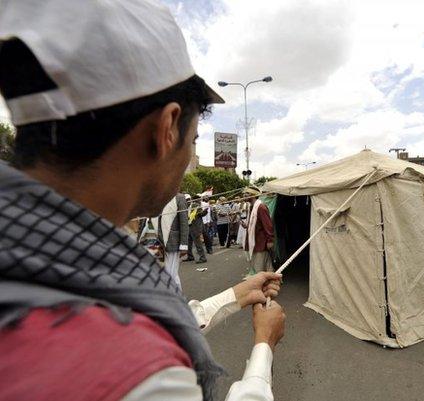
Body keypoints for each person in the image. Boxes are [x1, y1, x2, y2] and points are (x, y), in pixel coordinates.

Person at [0, 1, 286, 400]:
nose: (188, 156)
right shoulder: (136, 371)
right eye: (194, 139)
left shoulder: (40, 264)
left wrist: (234, 297)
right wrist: (263, 348)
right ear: (166, 129)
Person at [241, 186, 275, 275]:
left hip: (260, 243)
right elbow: (255, 224)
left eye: (247, 193)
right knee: (267, 265)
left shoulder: (261, 207)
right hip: (255, 242)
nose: (244, 195)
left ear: (253, 195)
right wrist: (247, 226)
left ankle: (262, 286)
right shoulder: (251, 207)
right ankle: (272, 283)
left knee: (259, 268)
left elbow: (268, 225)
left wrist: (270, 240)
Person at [158, 193, 189, 288]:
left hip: (172, 242)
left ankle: (176, 300)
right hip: (155, 242)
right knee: (160, 274)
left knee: (171, 275)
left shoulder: (179, 198)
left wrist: (184, 245)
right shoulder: (153, 196)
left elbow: (184, 222)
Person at [187, 195, 208, 264]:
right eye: (199, 200)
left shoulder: (196, 205)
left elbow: (201, 214)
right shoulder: (190, 206)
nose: (200, 201)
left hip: (195, 227)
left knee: (197, 242)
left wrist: (205, 211)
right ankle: (190, 256)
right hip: (190, 226)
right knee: (189, 243)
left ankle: (202, 257)